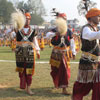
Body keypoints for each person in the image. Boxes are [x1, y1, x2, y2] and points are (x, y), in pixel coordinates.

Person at [72, 8, 100, 100]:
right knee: (82, 86)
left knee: (98, 87)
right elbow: (90, 36)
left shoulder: (96, 29)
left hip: (96, 62)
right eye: (98, 16)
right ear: (91, 17)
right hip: (87, 62)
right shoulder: (86, 28)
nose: (99, 18)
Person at [11, 11, 40, 95]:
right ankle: (23, 84)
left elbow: (35, 41)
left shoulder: (33, 30)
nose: (27, 21)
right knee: (21, 69)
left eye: (29, 19)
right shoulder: (18, 29)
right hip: (19, 52)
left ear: (30, 20)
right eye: (26, 19)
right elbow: (12, 37)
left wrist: (38, 51)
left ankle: (28, 88)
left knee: (29, 70)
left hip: (30, 52)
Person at [49, 12, 76, 95]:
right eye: (63, 19)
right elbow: (47, 35)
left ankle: (64, 88)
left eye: (65, 19)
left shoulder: (68, 31)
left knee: (64, 70)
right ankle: (56, 83)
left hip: (64, 53)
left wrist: (73, 52)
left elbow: (72, 42)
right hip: (55, 53)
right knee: (55, 71)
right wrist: (55, 34)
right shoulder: (55, 30)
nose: (64, 21)